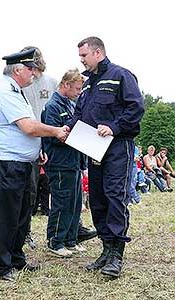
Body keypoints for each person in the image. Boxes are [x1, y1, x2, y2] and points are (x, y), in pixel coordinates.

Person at [0, 48, 68, 281]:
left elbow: (27, 130)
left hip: (22, 162)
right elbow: (29, 127)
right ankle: (1, 266)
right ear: (19, 69)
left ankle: (16, 258)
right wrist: (56, 131)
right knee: (5, 215)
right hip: (6, 163)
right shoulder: (5, 91)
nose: (34, 74)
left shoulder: (16, 90)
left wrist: (38, 150)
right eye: (31, 69)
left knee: (22, 213)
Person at [66, 37, 145, 277]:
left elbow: (136, 108)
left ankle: (116, 255)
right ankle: (106, 249)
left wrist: (114, 126)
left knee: (114, 195)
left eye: (84, 55)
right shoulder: (88, 84)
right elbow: (80, 113)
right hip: (93, 146)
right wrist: (68, 128)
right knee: (98, 198)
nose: (81, 60)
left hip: (118, 145)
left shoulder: (121, 75)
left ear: (97, 52)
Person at [42, 69, 91, 257]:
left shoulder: (71, 105)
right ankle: (55, 241)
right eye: (77, 88)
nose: (79, 92)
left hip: (73, 162)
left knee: (75, 203)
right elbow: (53, 135)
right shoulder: (52, 106)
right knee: (62, 202)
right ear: (66, 85)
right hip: (60, 162)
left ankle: (71, 239)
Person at [21, 46, 58, 248]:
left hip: (52, 140)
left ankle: (64, 231)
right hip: (30, 141)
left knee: (62, 187)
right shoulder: (20, 85)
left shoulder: (51, 82)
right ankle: (25, 232)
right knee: (30, 190)